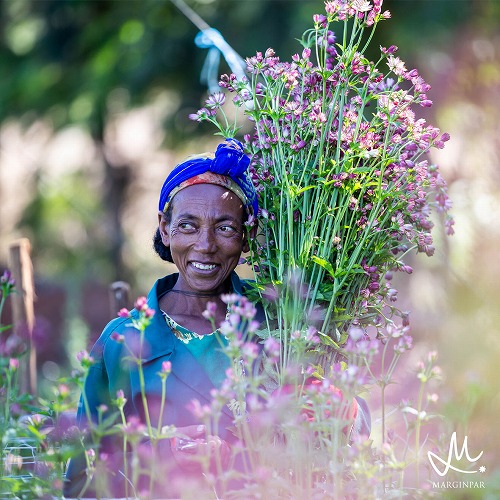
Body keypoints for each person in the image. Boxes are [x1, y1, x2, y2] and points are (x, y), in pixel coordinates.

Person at [63, 138, 370, 498]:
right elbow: (82, 481)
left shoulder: (281, 322)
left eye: (225, 227)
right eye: (188, 226)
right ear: (165, 228)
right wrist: (160, 456)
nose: (206, 244)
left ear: (246, 235)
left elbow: (356, 436)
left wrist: (341, 407)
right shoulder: (123, 341)